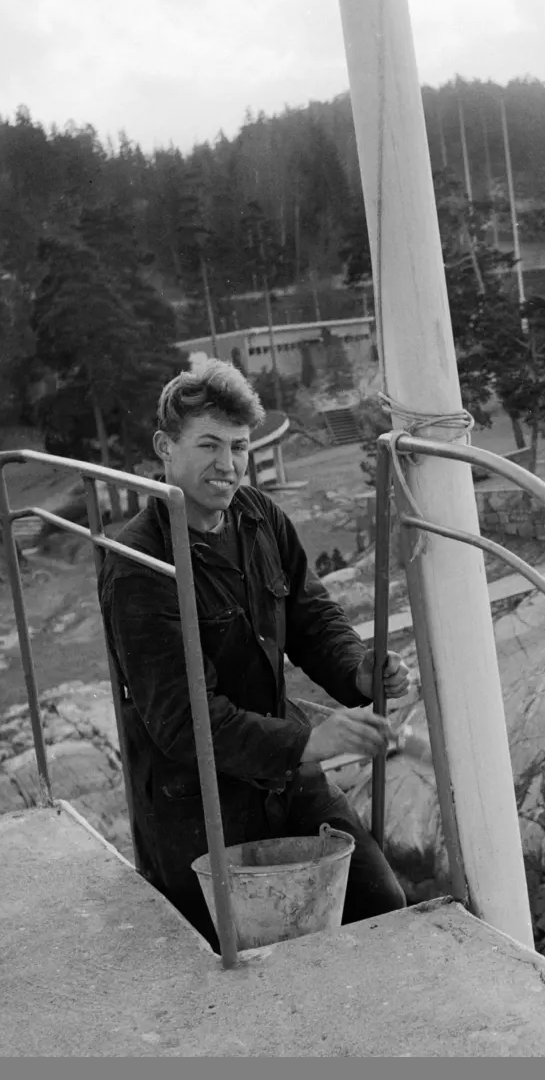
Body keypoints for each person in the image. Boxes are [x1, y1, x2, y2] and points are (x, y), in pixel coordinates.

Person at [98, 359, 409, 951]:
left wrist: (356, 668)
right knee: (240, 956)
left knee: (379, 906)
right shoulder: (140, 565)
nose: (229, 464)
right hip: (199, 800)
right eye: (209, 445)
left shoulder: (258, 515)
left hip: (286, 777)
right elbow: (182, 720)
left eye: (239, 446)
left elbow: (311, 616)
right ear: (165, 447)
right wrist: (309, 742)